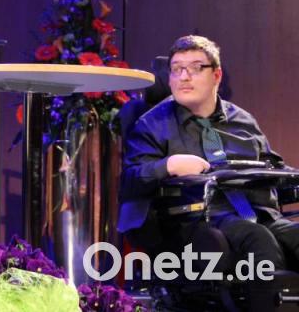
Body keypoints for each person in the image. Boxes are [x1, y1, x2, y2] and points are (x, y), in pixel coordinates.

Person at [120, 35, 299, 271]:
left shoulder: (242, 120)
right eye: (176, 69)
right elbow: (129, 182)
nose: (184, 76)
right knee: (257, 241)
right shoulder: (151, 125)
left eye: (196, 68)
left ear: (217, 75)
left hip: (259, 213)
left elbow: (272, 166)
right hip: (198, 219)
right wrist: (168, 165)